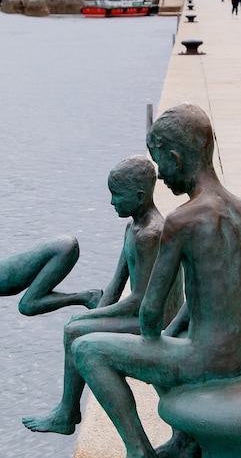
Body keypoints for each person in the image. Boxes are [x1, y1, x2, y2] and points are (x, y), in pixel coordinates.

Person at [72, 102, 241, 458]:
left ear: (176, 159)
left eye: (161, 164)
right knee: (169, 338)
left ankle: (139, 455)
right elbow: (216, 295)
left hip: (211, 361)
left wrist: (154, 338)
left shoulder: (182, 220)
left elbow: (148, 315)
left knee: (87, 349)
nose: (160, 173)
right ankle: (183, 441)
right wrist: (176, 331)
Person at [22, 156, 183, 436]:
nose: (112, 202)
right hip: (141, 313)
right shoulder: (132, 228)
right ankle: (66, 411)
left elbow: (140, 299)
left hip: (157, 321)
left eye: (117, 195)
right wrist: (91, 314)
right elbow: (116, 283)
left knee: (75, 330)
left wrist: (92, 316)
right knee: (75, 326)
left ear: (139, 196)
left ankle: (67, 413)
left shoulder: (150, 234)